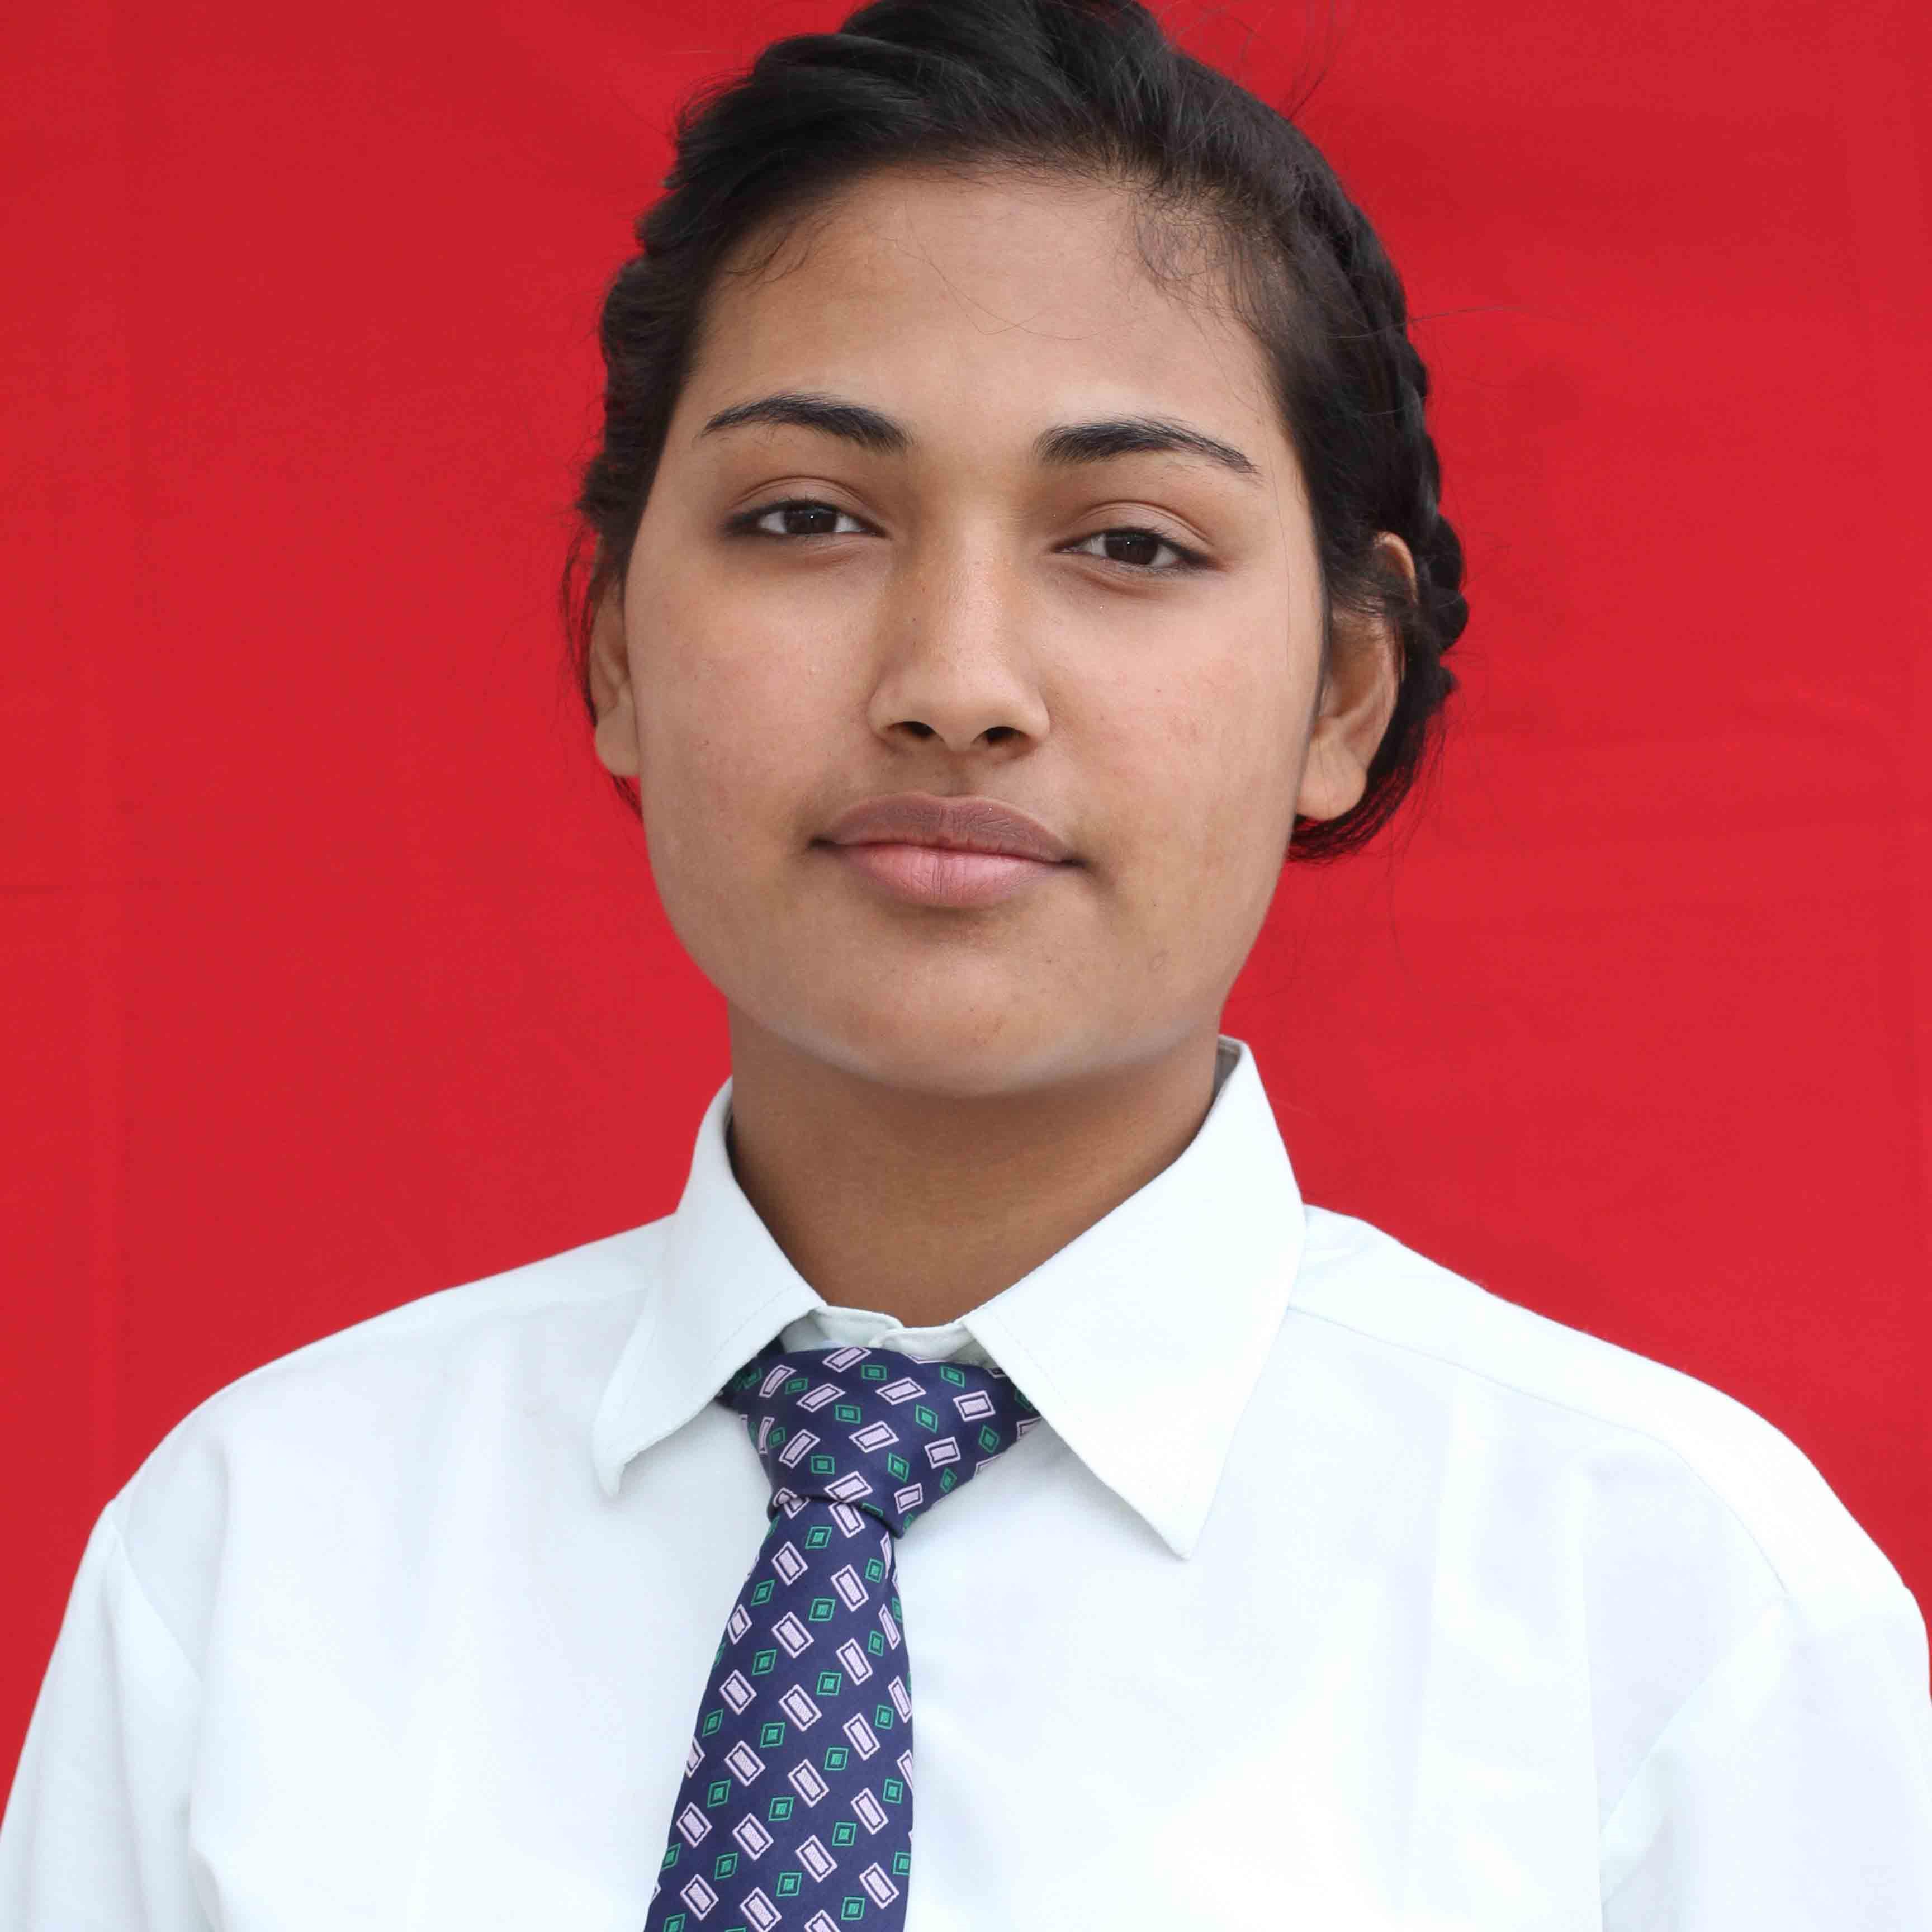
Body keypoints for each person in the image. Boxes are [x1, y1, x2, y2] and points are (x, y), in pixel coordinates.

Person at [5, 0, 1930, 1922]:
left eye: (1133, 544)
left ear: (1347, 689)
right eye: (808, 517)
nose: (955, 683)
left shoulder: (1678, 1618)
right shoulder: (256, 1560)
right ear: (614, 648)